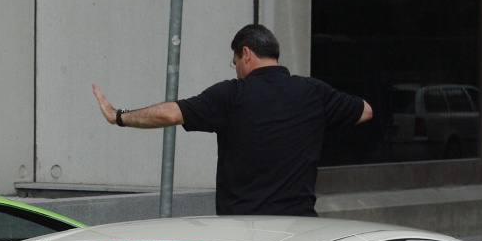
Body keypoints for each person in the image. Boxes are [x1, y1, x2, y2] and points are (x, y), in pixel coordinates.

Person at [91, 24, 373, 217]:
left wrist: (118, 116)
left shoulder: (233, 95)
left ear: (246, 53)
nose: (236, 68)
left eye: (235, 61)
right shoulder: (314, 92)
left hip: (244, 229)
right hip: (299, 227)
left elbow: (171, 113)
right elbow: (365, 111)